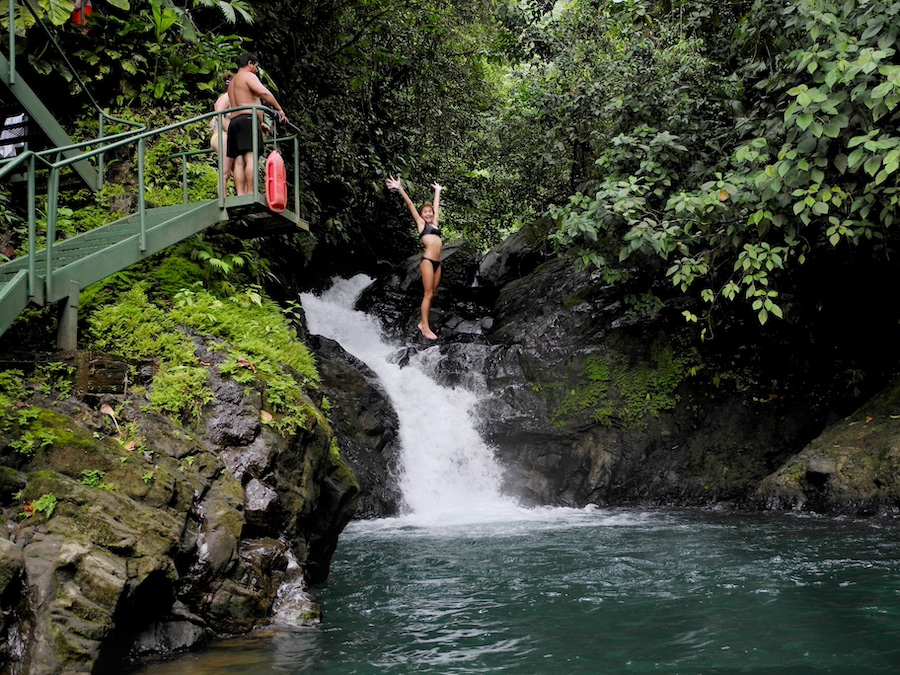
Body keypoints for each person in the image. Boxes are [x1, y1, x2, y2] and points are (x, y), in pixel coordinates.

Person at [386, 176, 443, 340]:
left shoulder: (435, 224)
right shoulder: (421, 224)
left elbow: (437, 206)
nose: (428, 213)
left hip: (438, 263)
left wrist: (437, 191)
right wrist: (400, 188)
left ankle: (423, 323)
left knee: (432, 294)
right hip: (427, 262)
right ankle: (424, 326)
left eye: (430, 211)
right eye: (425, 212)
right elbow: (410, 204)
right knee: (427, 293)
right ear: (421, 214)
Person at [227, 52, 288, 195]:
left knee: (238, 160)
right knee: (250, 157)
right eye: (256, 66)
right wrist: (279, 109)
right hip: (248, 120)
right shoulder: (248, 76)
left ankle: (241, 194)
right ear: (250, 63)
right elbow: (264, 93)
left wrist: (260, 123)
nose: (256, 70)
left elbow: (240, 104)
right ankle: (250, 193)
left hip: (235, 123)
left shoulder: (232, 83)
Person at [210, 72, 234, 196]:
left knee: (236, 169)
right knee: (225, 172)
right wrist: (233, 130)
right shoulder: (226, 97)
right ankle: (222, 202)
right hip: (222, 136)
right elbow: (218, 115)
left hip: (228, 137)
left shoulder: (234, 99)